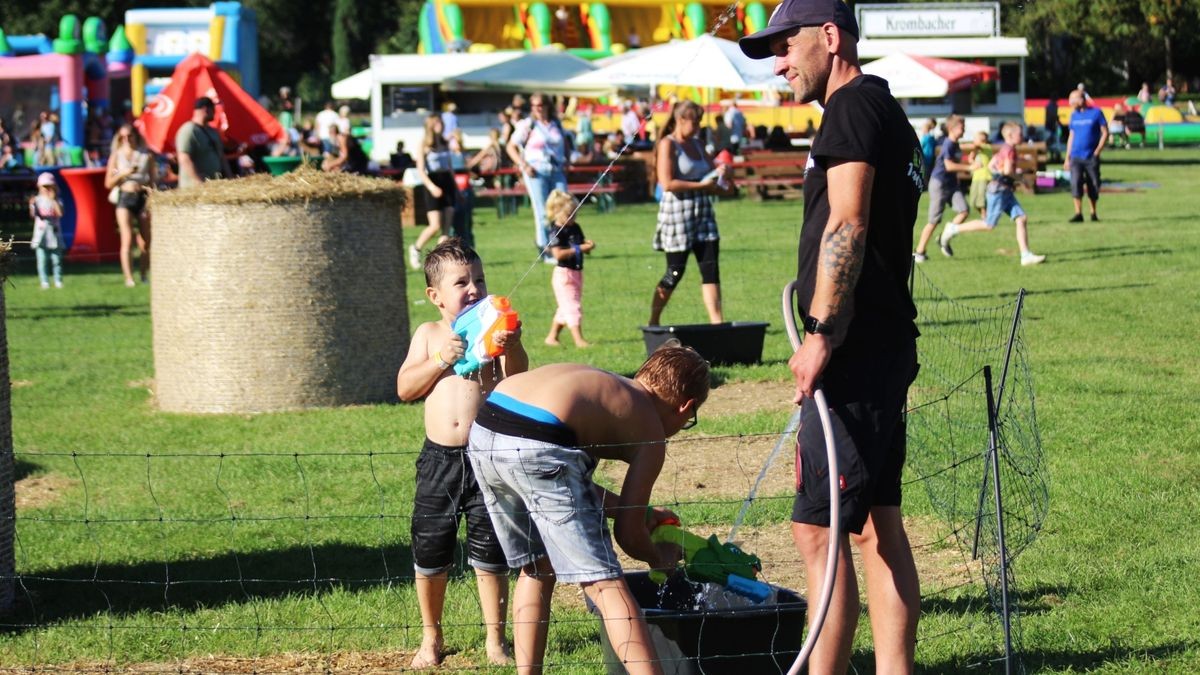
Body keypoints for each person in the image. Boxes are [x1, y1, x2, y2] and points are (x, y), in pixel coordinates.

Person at [740, 1, 924, 671]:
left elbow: (847, 224)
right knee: (878, 522)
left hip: (854, 353)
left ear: (829, 36)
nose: (778, 65)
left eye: (785, 47)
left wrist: (819, 333)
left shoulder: (850, 109)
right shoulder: (883, 108)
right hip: (879, 346)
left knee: (818, 529)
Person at [466, 346, 709, 674]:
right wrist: (657, 556)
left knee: (537, 567)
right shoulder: (651, 431)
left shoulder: (608, 388)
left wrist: (628, 508)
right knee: (606, 585)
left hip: (487, 428)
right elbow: (628, 533)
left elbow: (560, 482)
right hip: (540, 443)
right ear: (685, 407)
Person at [395, 239, 528, 669]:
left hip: (487, 457)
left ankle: (496, 639)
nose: (474, 288)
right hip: (440, 461)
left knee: (490, 552)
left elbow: (517, 381)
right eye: (462, 282)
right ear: (435, 296)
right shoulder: (429, 334)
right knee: (431, 551)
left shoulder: (492, 332)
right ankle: (431, 638)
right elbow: (404, 388)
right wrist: (439, 360)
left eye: (480, 279)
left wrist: (512, 347)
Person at [650, 100, 735, 327]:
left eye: (699, 121)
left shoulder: (698, 144)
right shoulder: (668, 144)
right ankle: (654, 319)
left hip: (703, 212)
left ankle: (717, 323)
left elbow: (712, 171)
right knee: (675, 271)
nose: (697, 126)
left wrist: (723, 171)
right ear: (680, 120)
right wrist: (702, 186)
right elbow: (667, 183)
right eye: (694, 122)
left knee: (710, 268)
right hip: (678, 212)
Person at [940, 121, 1046, 266]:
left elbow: (991, 166)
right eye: (1020, 134)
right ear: (1010, 135)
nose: (1022, 136)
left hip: (1004, 190)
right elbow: (1008, 171)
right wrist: (1022, 179)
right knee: (988, 224)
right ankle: (953, 228)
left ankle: (1025, 255)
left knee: (1021, 218)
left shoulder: (1004, 149)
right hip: (999, 191)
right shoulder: (1010, 150)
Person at [506, 91, 570, 258]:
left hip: (556, 169)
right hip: (536, 170)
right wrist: (523, 165)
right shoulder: (528, 125)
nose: (537, 109)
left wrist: (567, 160)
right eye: (534, 106)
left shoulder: (556, 123)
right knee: (543, 211)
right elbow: (510, 146)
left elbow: (564, 143)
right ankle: (546, 249)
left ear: (548, 106)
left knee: (563, 206)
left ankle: (562, 245)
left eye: (540, 105)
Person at [913, 114, 971, 262]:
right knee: (934, 220)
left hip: (951, 184)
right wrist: (970, 167)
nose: (964, 130)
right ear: (952, 128)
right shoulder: (948, 144)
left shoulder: (956, 143)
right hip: (939, 184)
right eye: (961, 127)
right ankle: (919, 252)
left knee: (964, 210)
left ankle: (944, 236)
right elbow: (948, 165)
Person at [105, 124, 156, 287]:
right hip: (125, 197)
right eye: (122, 137)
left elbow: (153, 181)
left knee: (146, 239)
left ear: (136, 136)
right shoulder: (116, 156)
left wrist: (151, 196)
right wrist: (123, 173)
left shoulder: (146, 155)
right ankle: (129, 278)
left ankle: (143, 274)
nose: (126, 140)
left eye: (129, 136)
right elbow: (108, 183)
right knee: (126, 238)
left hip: (142, 196)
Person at [542, 189, 594, 348]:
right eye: (570, 214)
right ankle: (579, 340)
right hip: (563, 275)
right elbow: (558, 254)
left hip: (577, 272)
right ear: (558, 213)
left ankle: (551, 337)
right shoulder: (555, 231)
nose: (573, 218)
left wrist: (589, 246)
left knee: (566, 307)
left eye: (575, 214)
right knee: (572, 307)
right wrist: (579, 249)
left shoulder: (575, 227)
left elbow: (582, 244)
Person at [407, 114, 459, 269]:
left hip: (447, 182)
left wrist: (457, 189)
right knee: (435, 225)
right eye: (437, 123)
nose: (441, 125)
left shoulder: (444, 142)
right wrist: (431, 187)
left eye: (441, 122)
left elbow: (450, 168)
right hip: (433, 182)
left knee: (446, 227)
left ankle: (440, 261)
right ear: (430, 125)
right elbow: (421, 170)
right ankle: (416, 248)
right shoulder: (424, 144)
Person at [1063, 88, 1108, 222]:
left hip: (1091, 156)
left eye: (1073, 99)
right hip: (1076, 156)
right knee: (1076, 183)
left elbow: (1105, 132)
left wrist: (1097, 151)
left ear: (1081, 99)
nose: (1070, 102)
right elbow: (1071, 136)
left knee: (1093, 183)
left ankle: (1093, 213)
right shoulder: (1073, 116)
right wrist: (1067, 157)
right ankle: (1078, 213)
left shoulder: (1096, 113)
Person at [175, 97, 231, 189]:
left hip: (213, 187)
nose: (215, 113)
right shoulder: (189, 130)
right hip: (193, 189)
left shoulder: (213, 132)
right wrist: (199, 182)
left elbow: (221, 157)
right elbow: (184, 159)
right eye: (213, 109)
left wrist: (230, 178)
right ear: (206, 109)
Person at [29, 172, 65, 290]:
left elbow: (60, 213)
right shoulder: (37, 200)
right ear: (39, 187)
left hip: (54, 234)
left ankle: (58, 280)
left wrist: (53, 200)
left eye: (50, 186)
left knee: (57, 260)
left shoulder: (57, 200)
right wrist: (32, 205)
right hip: (40, 235)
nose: (47, 189)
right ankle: (44, 281)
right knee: (42, 260)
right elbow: (33, 215)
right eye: (45, 186)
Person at [965, 130, 994, 221]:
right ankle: (984, 215)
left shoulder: (986, 147)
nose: (973, 140)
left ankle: (985, 216)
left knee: (981, 199)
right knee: (973, 201)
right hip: (976, 177)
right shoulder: (977, 150)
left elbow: (976, 146)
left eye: (975, 138)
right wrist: (973, 160)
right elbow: (970, 159)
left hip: (985, 176)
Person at [918, 117, 937, 183]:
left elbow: (920, 146)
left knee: (925, 172)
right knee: (928, 172)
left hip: (925, 157)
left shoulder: (926, 137)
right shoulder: (932, 137)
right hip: (931, 158)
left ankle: (925, 184)